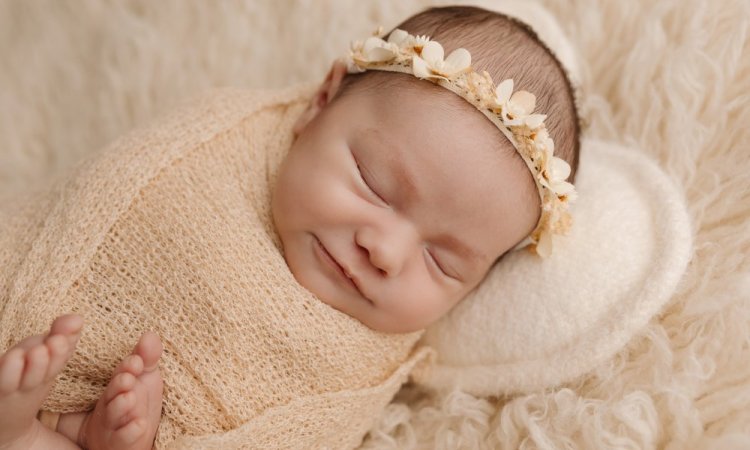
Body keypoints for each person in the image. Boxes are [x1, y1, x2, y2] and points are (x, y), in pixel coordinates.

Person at [0, 5, 580, 449]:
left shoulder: (355, 370)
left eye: (443, 261)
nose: (385, 250)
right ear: (320, 103)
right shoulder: (208, 156)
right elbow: (104, 204)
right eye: (374, 183)